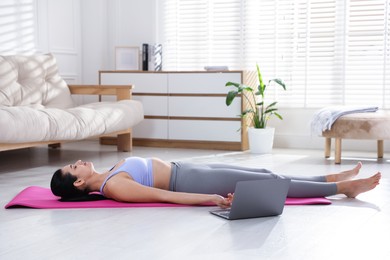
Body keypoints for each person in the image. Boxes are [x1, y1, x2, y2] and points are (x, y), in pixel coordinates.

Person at [50, 157, 381, 208]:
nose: (77, 162)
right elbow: (162, 195)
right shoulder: (114, 186)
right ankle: (342, 188)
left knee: (266, 175)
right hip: (190, 180)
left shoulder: (109, 171)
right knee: (270, 183)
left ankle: (328, 177)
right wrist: (209, 199)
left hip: (190, 166)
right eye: (72, 168)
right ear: (78, 184)